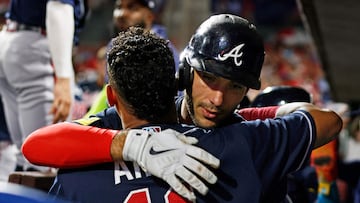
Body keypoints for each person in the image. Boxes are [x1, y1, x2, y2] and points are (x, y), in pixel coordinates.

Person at [23, 26, 342, 203]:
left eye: (234, 87)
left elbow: (38, 146)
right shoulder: (244, 144)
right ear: (184, 75)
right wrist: (134, 146)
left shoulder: (92, 150)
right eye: (210, 78)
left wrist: (127, 145)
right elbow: (328, 121)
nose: (218, 99)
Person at [0, 0, 88, 172]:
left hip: (11, 39)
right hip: (34, 45)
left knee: (24, 153)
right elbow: (58, 8)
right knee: (44, 158)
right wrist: (63, 79)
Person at [85, 0, 179, 117]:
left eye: (132, 8)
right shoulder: (114, 46)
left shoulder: (163, 51)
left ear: (149, 16)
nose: (122, 14)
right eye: (119, 7)